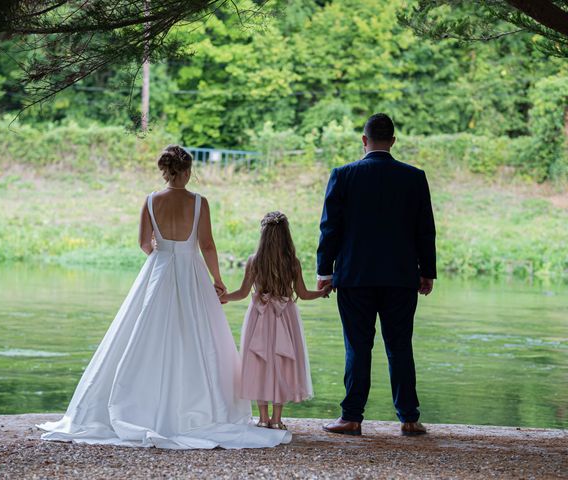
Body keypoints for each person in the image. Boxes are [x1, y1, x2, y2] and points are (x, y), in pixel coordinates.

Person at [38, 145, 291, 449]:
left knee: (145, 333)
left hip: (158, 270)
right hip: (191, 271)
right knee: (198, 336)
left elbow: (144, 243)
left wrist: (161, 258)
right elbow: (207, 245)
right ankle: (201, 410)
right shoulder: (199, 202)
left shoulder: (150, 201)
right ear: (187, 171)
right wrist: (218, 280)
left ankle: (139, 406)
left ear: (165, 171)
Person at [317, 113, 437, 437]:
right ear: (393, 141)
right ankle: (409, 418)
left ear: (364, 140)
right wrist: (427, 272)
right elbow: (425, 230)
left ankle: (352, 417)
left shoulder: (343, 175)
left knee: (357, 346)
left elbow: (330, 228)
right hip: (400, 277)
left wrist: (324, 271)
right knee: (400, 346)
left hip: (355, 276)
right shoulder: (414, 177)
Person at [221, 211, 330, 431]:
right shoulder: (293, 262)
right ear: (286, 235)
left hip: (259, 316)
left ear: (263, 234)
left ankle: (262, 418)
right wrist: (324, 292)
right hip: (285, 317)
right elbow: (304, 294)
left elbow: (242, 293)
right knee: (283, 362)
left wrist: (223, 297)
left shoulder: (255, 260)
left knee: (259, 362)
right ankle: (277, 419)